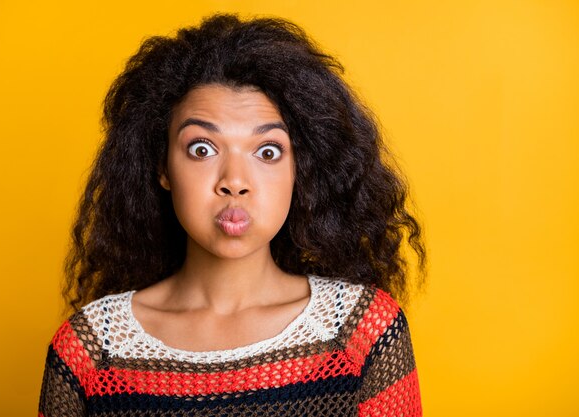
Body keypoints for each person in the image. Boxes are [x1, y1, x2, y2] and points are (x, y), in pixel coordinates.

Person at [38, 13, 426, 417]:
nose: (235, 181)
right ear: (162, 168)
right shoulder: (91, 350)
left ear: (301, 169)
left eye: (268, 151)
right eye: (202, 149)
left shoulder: (362, 333)